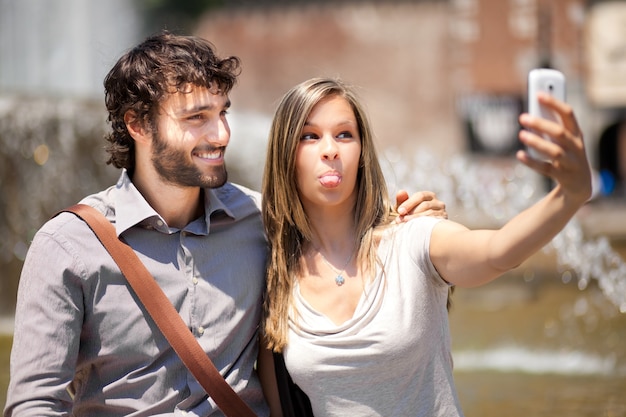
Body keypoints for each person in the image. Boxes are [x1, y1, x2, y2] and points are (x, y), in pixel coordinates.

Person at [4, 32, 446, 416]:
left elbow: (344, 230)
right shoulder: (66, 247)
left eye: (222, 112)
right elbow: (35, 404)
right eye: (197, 118)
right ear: (137, 125)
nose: (221, 135)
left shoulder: (262, 221)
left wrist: (405, 220)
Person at [260, 77, 592, 416]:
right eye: (310, 136)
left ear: (361, 152)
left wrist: (568, 197)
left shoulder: (413, 238)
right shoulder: (274, 275)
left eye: (344, 134)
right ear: (286, 154)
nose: (330, 149)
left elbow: (498, 251)